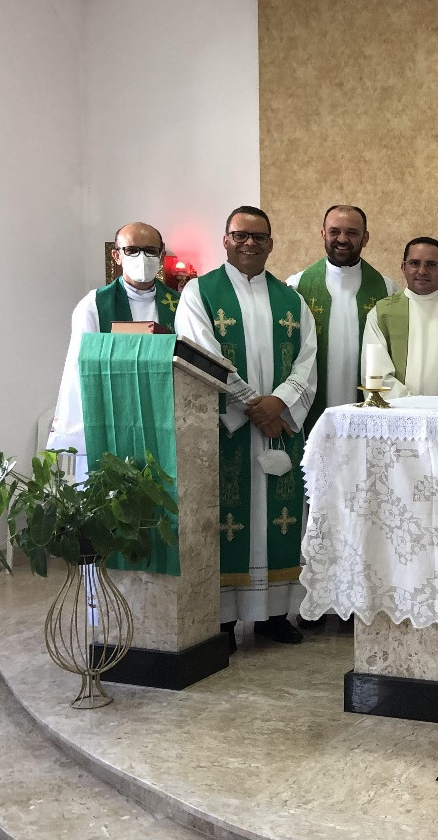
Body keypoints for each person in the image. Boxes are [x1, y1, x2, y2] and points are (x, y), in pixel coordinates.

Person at [176, 206, 317, 651]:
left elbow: (306, 360)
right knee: (227, 520)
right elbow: (199, 352)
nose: (250, 243)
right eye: (240, 235)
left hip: (278, 427)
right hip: (228, 431)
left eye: (259, 236)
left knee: (281, 520)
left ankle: (274, 615)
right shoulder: (200, 293)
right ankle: (222, 620)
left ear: (271, 243)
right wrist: (252, 405)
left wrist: (280, 404)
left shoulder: (291, 300)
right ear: (226, 239)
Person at [47, 222, 179, 478]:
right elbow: (79, 368)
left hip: (164, 416)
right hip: (112, 417)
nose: (142, 257)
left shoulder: (179, 304)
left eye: (150, 251)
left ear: (161, 255)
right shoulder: (94, 305)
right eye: (132, 250)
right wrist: (77, 431)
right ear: (117, 256)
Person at [286, 205, 395, 429]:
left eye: (352, 232)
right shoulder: (297, 286)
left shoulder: (387, 289)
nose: (342, 239)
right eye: (334, 231)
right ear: (323, 234)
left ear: (365, 238)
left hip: (368, 409)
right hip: (313, 407)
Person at [360, 237, 438, 397]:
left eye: (431, 264)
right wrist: (411, 406)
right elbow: (376, 374)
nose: (422, 271)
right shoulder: (381, 313)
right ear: (403, 267)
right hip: (398, 409)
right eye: (414, 263)